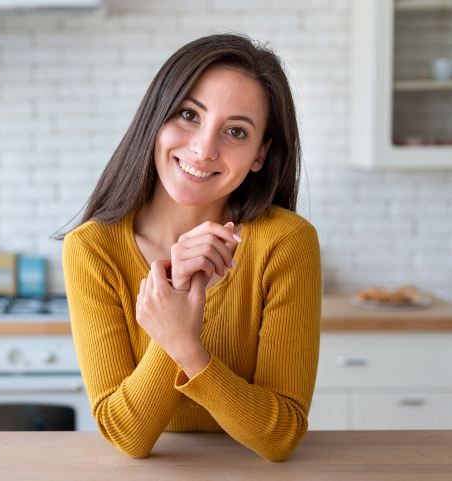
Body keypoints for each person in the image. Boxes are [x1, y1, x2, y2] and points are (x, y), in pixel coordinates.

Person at [59, 33, 321, 462]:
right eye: (188, 114)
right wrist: (174, 311)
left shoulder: (286, 243)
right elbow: (127, 436)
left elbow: (281, 436)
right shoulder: (92, 249)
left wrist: (184, 344)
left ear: (260, 153)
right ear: (156, 119)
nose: (203, 148)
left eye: (236, 131)